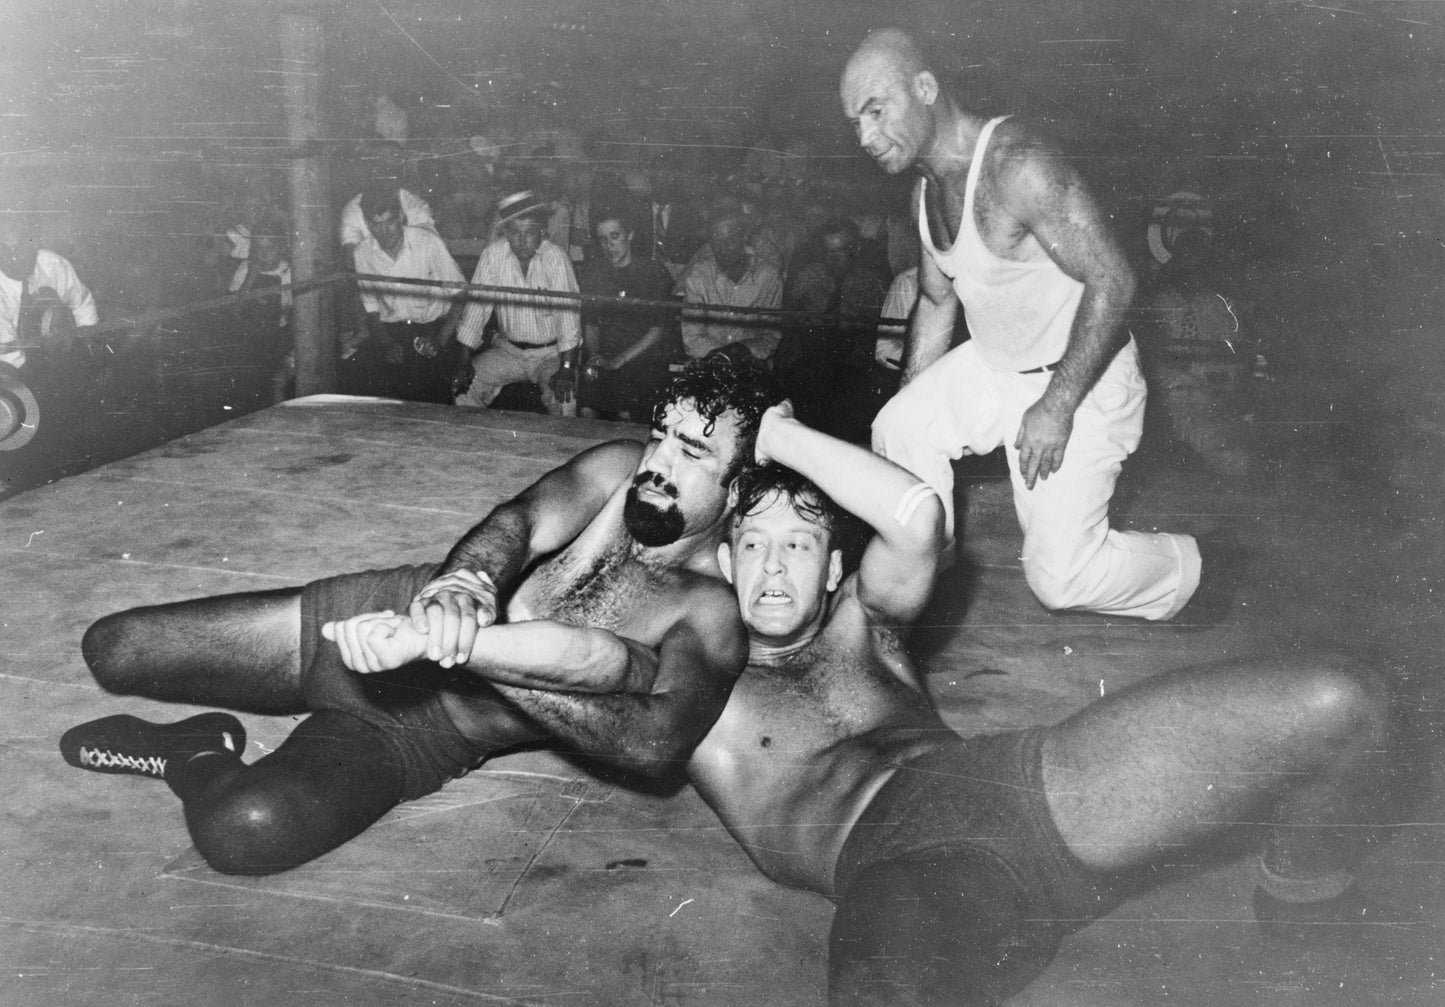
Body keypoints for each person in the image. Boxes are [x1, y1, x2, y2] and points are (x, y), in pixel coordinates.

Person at [689, 401, 1410, 1006]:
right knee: (881, 989)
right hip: (898, 862)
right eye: (752, 544)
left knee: (1344, 700)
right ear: (722, 561)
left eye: (799, 543)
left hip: (1036, 789)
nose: (775, 566)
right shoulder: (690, 682)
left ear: (833, 566)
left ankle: (1299, 895)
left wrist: (775, 431)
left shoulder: (864, 620)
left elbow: (914, 518)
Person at [60, 356, 780, 876]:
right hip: (375, 612)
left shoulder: (709, 610)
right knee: (115, 648)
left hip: (422, 731)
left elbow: (654, 744)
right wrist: (461, 585)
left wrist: (468, 651)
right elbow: (521, 520)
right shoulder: (619, 466)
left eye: (690, 451)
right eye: (661, 434)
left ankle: (195, 754)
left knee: (242, 830)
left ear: (740, 485)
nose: (657, 461)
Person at [847, 29, 1203, 621]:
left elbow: (1114, 279)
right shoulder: (924, 193)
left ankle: (1193, 567)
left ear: (926, 87)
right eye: (853, 122)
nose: (863, 136)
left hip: (1081, 380)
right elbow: (937, 304)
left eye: (874, 110)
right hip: (994, 365)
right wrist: (913, 413)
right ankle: (924, 577)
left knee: (1061, 582)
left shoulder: (1018, 165)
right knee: (900, 429)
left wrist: (1057, 405)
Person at [453, 190, 583, 415]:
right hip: (508, 351)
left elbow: (568, 318)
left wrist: (567, 368)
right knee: (463, 388)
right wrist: (464, 360)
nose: (522, 241)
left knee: (565, 398)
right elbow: (476, 308)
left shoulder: (556, 258)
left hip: (551, 354)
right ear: (505, 231)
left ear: (541, 232)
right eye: (514, 232)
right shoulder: (492, 255)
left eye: (530, 233)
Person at [348, 184, 468, 403]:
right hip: (391, 332)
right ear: (366, 223)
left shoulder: (427, 242)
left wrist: (440, 340)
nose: (385, 232)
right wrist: (386, 343)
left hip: (433, 328)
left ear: (401, 216)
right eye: (377, 224)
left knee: (434, 400)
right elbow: (371, 308)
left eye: (391, 222)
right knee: (366, 392)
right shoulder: (362, 252)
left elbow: (460, 294)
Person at [577, 209, 675, 421]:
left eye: (615, 236)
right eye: (603, 239)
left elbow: (657, 331)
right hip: (606, 357)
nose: (609, 245)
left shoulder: (651, 272)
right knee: (586, 406)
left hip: (641, 357)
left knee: (626, 410)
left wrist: (620, 360)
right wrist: (594, 356)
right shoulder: (596, 275)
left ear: (629, 234)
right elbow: (591, 324)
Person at [679, 203, 784, 363]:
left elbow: (770, 337)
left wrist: (742, 350)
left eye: (730, 241)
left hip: (751, 366)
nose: (723, 249)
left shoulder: (768, 277)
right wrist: (726, 356)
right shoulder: (698, 276)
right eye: (716, 242)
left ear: (744, 238)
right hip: (710, 365)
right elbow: (692, 338)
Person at [0, 215, 98, 370]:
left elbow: (82, 305)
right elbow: (10, 359)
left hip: (63, 349)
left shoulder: (54, 264)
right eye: (5, 250)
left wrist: (90, 345)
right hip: (17, 366)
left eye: (19, 247)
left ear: (33, 245)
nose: (14, 257)